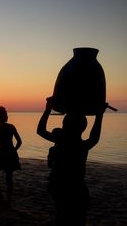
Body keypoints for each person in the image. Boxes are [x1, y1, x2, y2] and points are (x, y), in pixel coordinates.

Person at [37, 97, 106, 226]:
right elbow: (94, 137)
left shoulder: (60, 141)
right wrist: (99, 115)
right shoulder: (81, 146)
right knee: (77, 218)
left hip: (59, 185)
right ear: (82, 129)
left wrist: (47, 110)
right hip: (76, 188)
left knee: (62, 215)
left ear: (64, 126)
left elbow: (40, 130)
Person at [0, 106, 22, 203]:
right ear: (3, 116)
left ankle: (0, 196)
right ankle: (8, 199)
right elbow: (19, 141)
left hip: (0, 153)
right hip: (10, 153)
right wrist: (14, 150)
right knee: (9, 177)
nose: (7, 116)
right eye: (6, 114)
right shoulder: (11, 126)